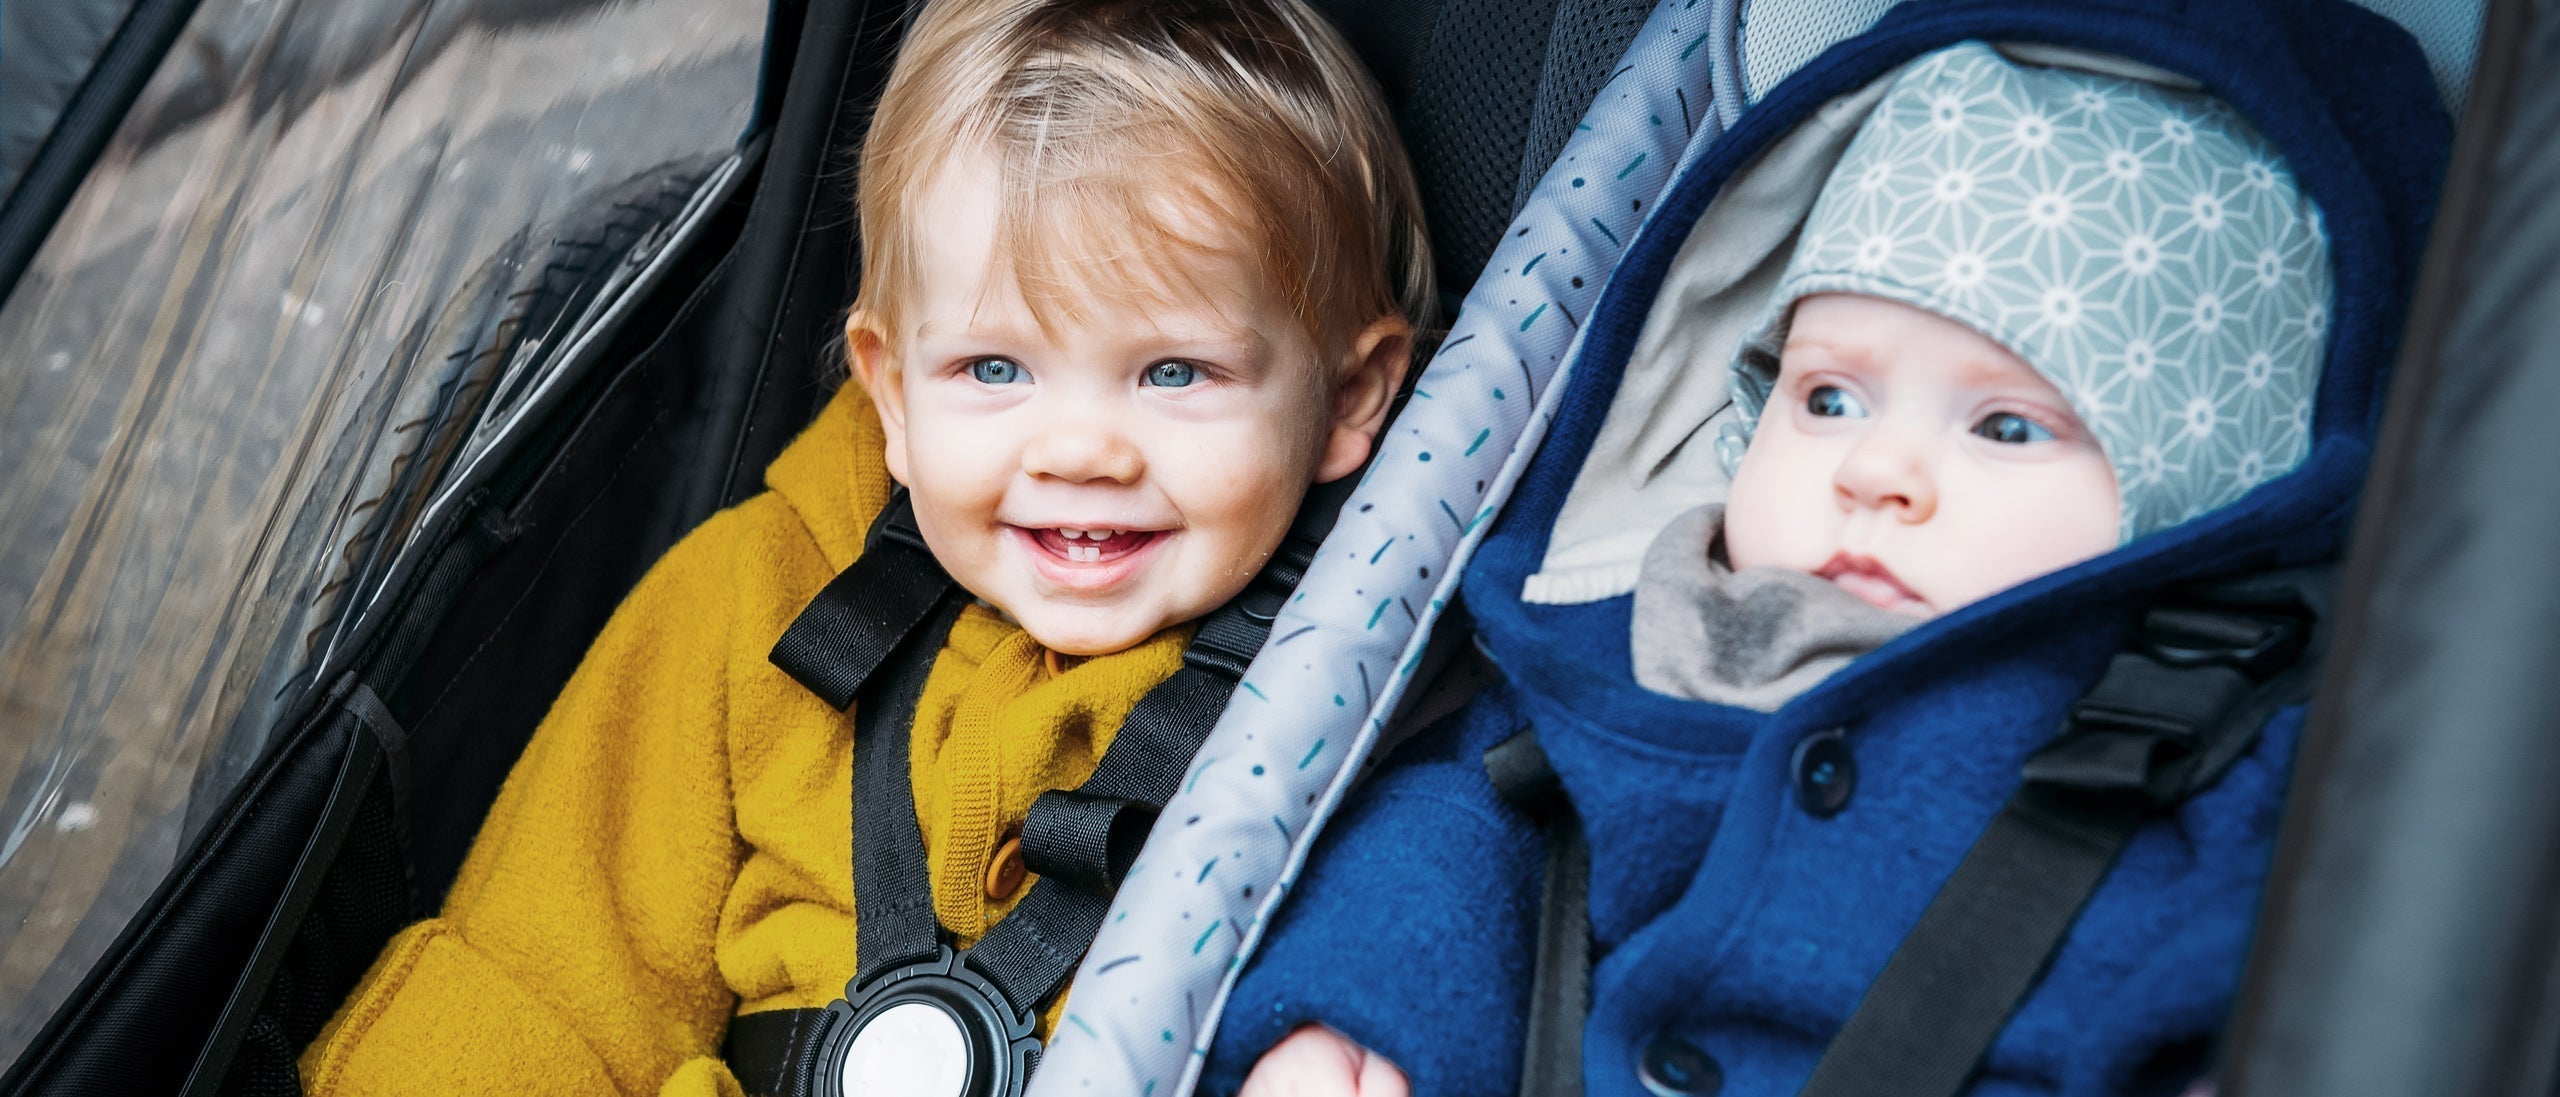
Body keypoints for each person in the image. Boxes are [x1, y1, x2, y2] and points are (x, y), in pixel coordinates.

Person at [1213, 24, 2442, 1097]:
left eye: (2005, 426)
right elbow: (1472, 827)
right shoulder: (1654, 638)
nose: (1875, 473)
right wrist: (1356, 1012)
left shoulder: (2231, 750)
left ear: (2205, 492)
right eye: (1830, 399)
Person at [296, 0, 1430, 1092]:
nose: (1080, 450)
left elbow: (1421, 910)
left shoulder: (1364, 663)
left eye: (1173, 372)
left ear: (1347, 396)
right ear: (889, 393)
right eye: (995, 369)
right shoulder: (751, 598)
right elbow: (547, 971)